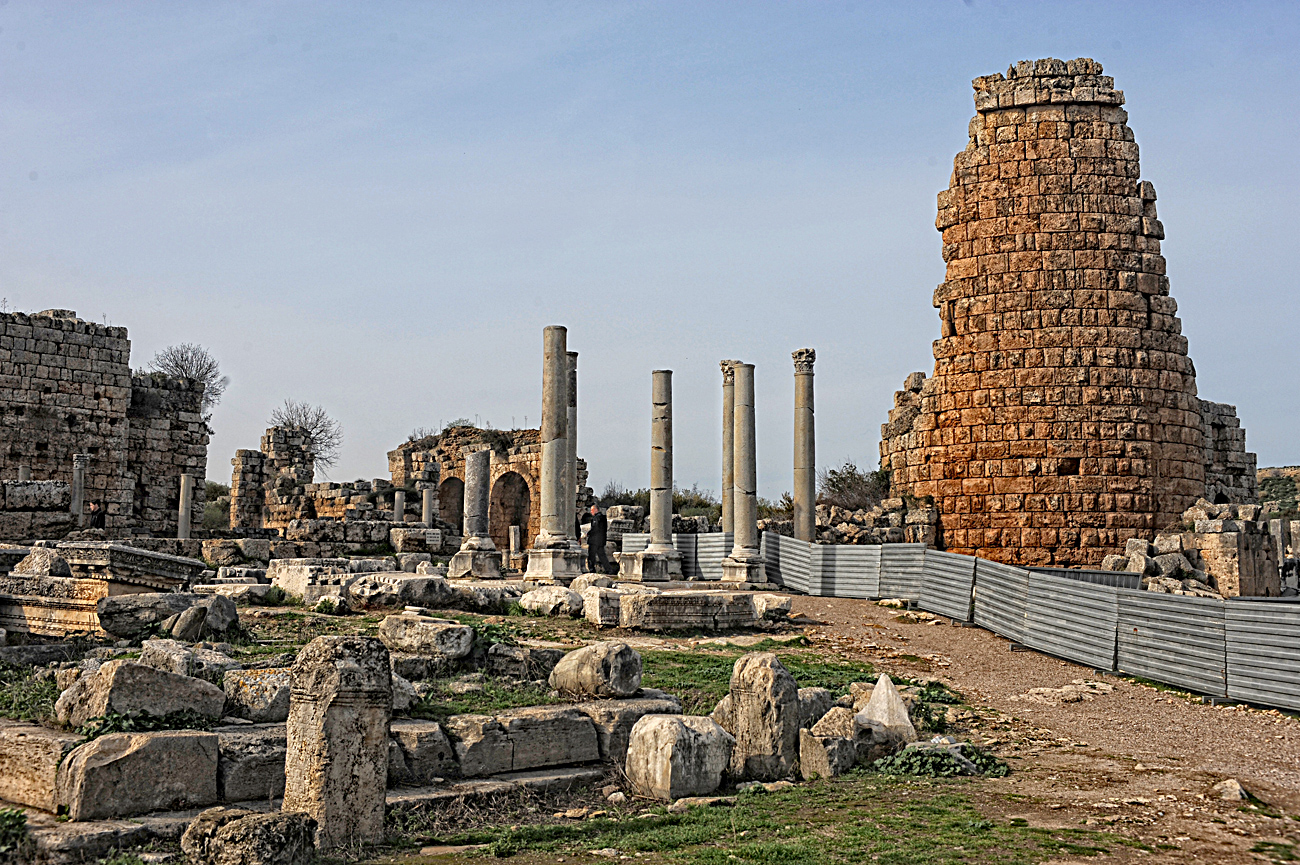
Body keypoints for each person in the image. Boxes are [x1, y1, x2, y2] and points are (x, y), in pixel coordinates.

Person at [584, 503, 610, 574]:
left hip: (595, 541)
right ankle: (608, 569)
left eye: (592, 510)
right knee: (602, 556)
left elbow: (595, 528)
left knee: (591, 556)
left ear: (596, 510)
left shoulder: (596, 518)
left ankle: (592, 569)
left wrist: (589, 533)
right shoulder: (603, 518)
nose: (591, 512)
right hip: (601, 540)